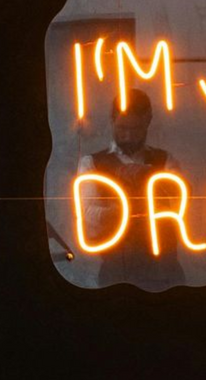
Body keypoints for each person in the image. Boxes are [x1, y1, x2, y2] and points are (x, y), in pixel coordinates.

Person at [77, 89, 186, 290]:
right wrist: (129, 207)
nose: (128, 136)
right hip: (116, 272)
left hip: (164, 271)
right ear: (112, 120)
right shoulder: (91, 164)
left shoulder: (165, 161)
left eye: (136, 129)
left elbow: (181, 204)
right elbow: (88, 216)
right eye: (122, 128)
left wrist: (148, 175)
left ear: (148, 121)